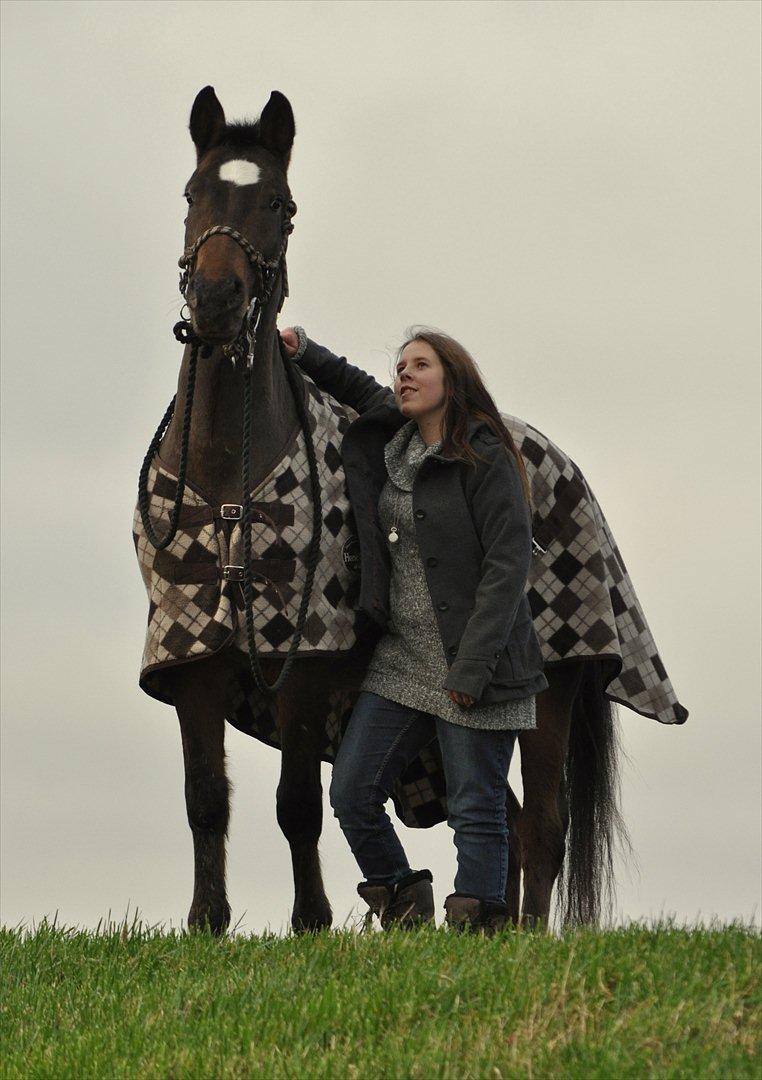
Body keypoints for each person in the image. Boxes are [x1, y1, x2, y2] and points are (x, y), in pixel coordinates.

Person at [279, 325, 549, 933]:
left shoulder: (486, 455)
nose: (405, 374)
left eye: (420, 366)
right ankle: (402, 900)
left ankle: (479, 923)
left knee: (476, 806)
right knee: (351, 791)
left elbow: (509, 566)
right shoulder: (395, 440)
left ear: (451, 382)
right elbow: (356, 386)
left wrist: (472, 669)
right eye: (400, 366)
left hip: (476, 661)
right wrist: (304, 349)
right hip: (402, 659)